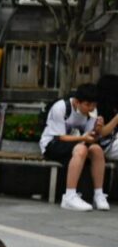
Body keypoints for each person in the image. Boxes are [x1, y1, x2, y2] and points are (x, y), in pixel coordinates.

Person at [39, 83, 117, 211]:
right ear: (76, 101)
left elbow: (91, 137)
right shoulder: (61, 107)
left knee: (96, 150)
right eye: (87, 105)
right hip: (51, 144)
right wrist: (83, 139)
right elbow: (61, 137)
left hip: (75, 144)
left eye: (94, 105)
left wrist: (97, 129)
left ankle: (99, 195)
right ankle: (69, 196)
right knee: (81, 149)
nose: (91, 109)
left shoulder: (92, 112)